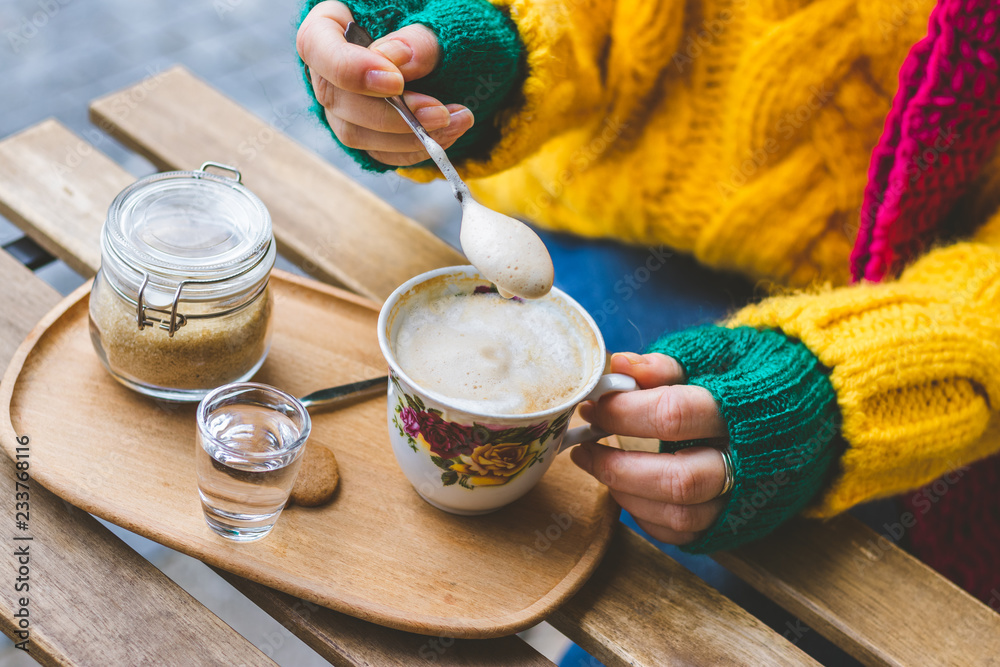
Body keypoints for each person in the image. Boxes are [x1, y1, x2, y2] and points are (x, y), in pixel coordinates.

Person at [295, 0, 1000, 610]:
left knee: (672, 569)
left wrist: (864, 378)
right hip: (580, 202)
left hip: (897, 309)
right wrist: (482, 41)